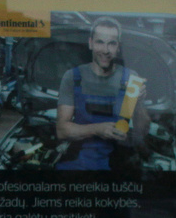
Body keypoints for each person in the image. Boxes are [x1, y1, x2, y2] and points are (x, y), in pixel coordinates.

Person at [55, 16, 146, 171]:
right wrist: (97, 129)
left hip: (116, 162)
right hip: (77, 161)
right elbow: (62, 130)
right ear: (90, 43)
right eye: (100, 42)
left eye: (111, 43)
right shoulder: (73, 77)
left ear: (118, 47)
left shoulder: (131, 78)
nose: (105, 50)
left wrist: (139, 104)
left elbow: (141, 132)